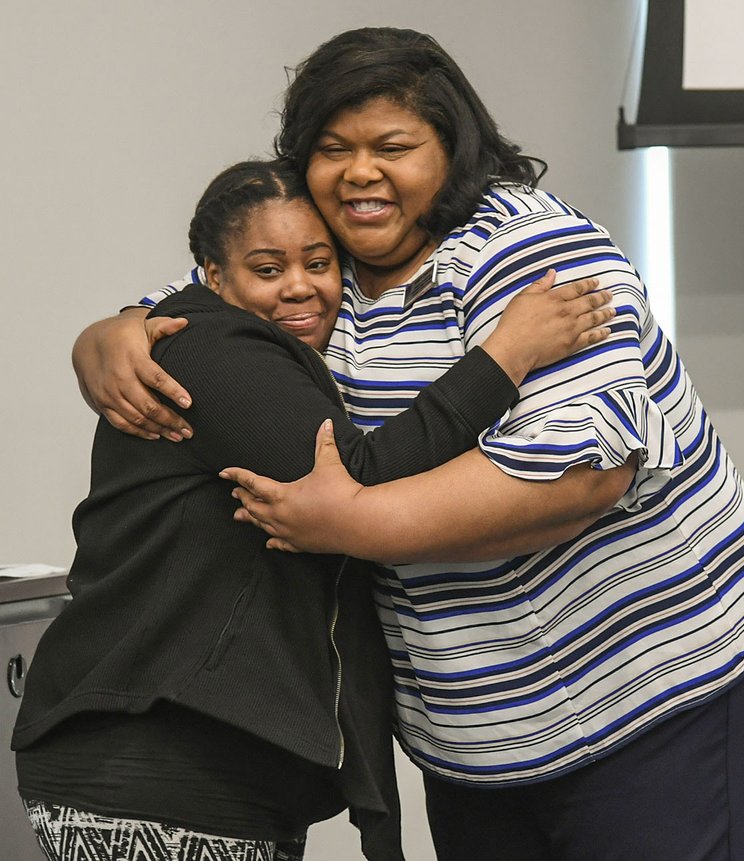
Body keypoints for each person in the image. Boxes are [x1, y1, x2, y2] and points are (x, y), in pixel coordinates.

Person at [71, 28, 744, 861]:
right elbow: (197, 308)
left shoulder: (532, 252)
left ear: (453, 150)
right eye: (333, 148)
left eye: (394, 146)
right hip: (471, 724)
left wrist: (354, 521)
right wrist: (109, 334)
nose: (360, 172)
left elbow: (586, 476)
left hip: (651, 678)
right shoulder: (318, 249)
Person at [14, 157, 614, 861]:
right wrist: (507, 353)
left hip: (205, 769)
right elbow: (355, 476)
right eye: (268, 269)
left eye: (319, 263)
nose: (300, 287)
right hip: (152, 762)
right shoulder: (209, 347)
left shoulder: (264, 356)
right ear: (213, 277)